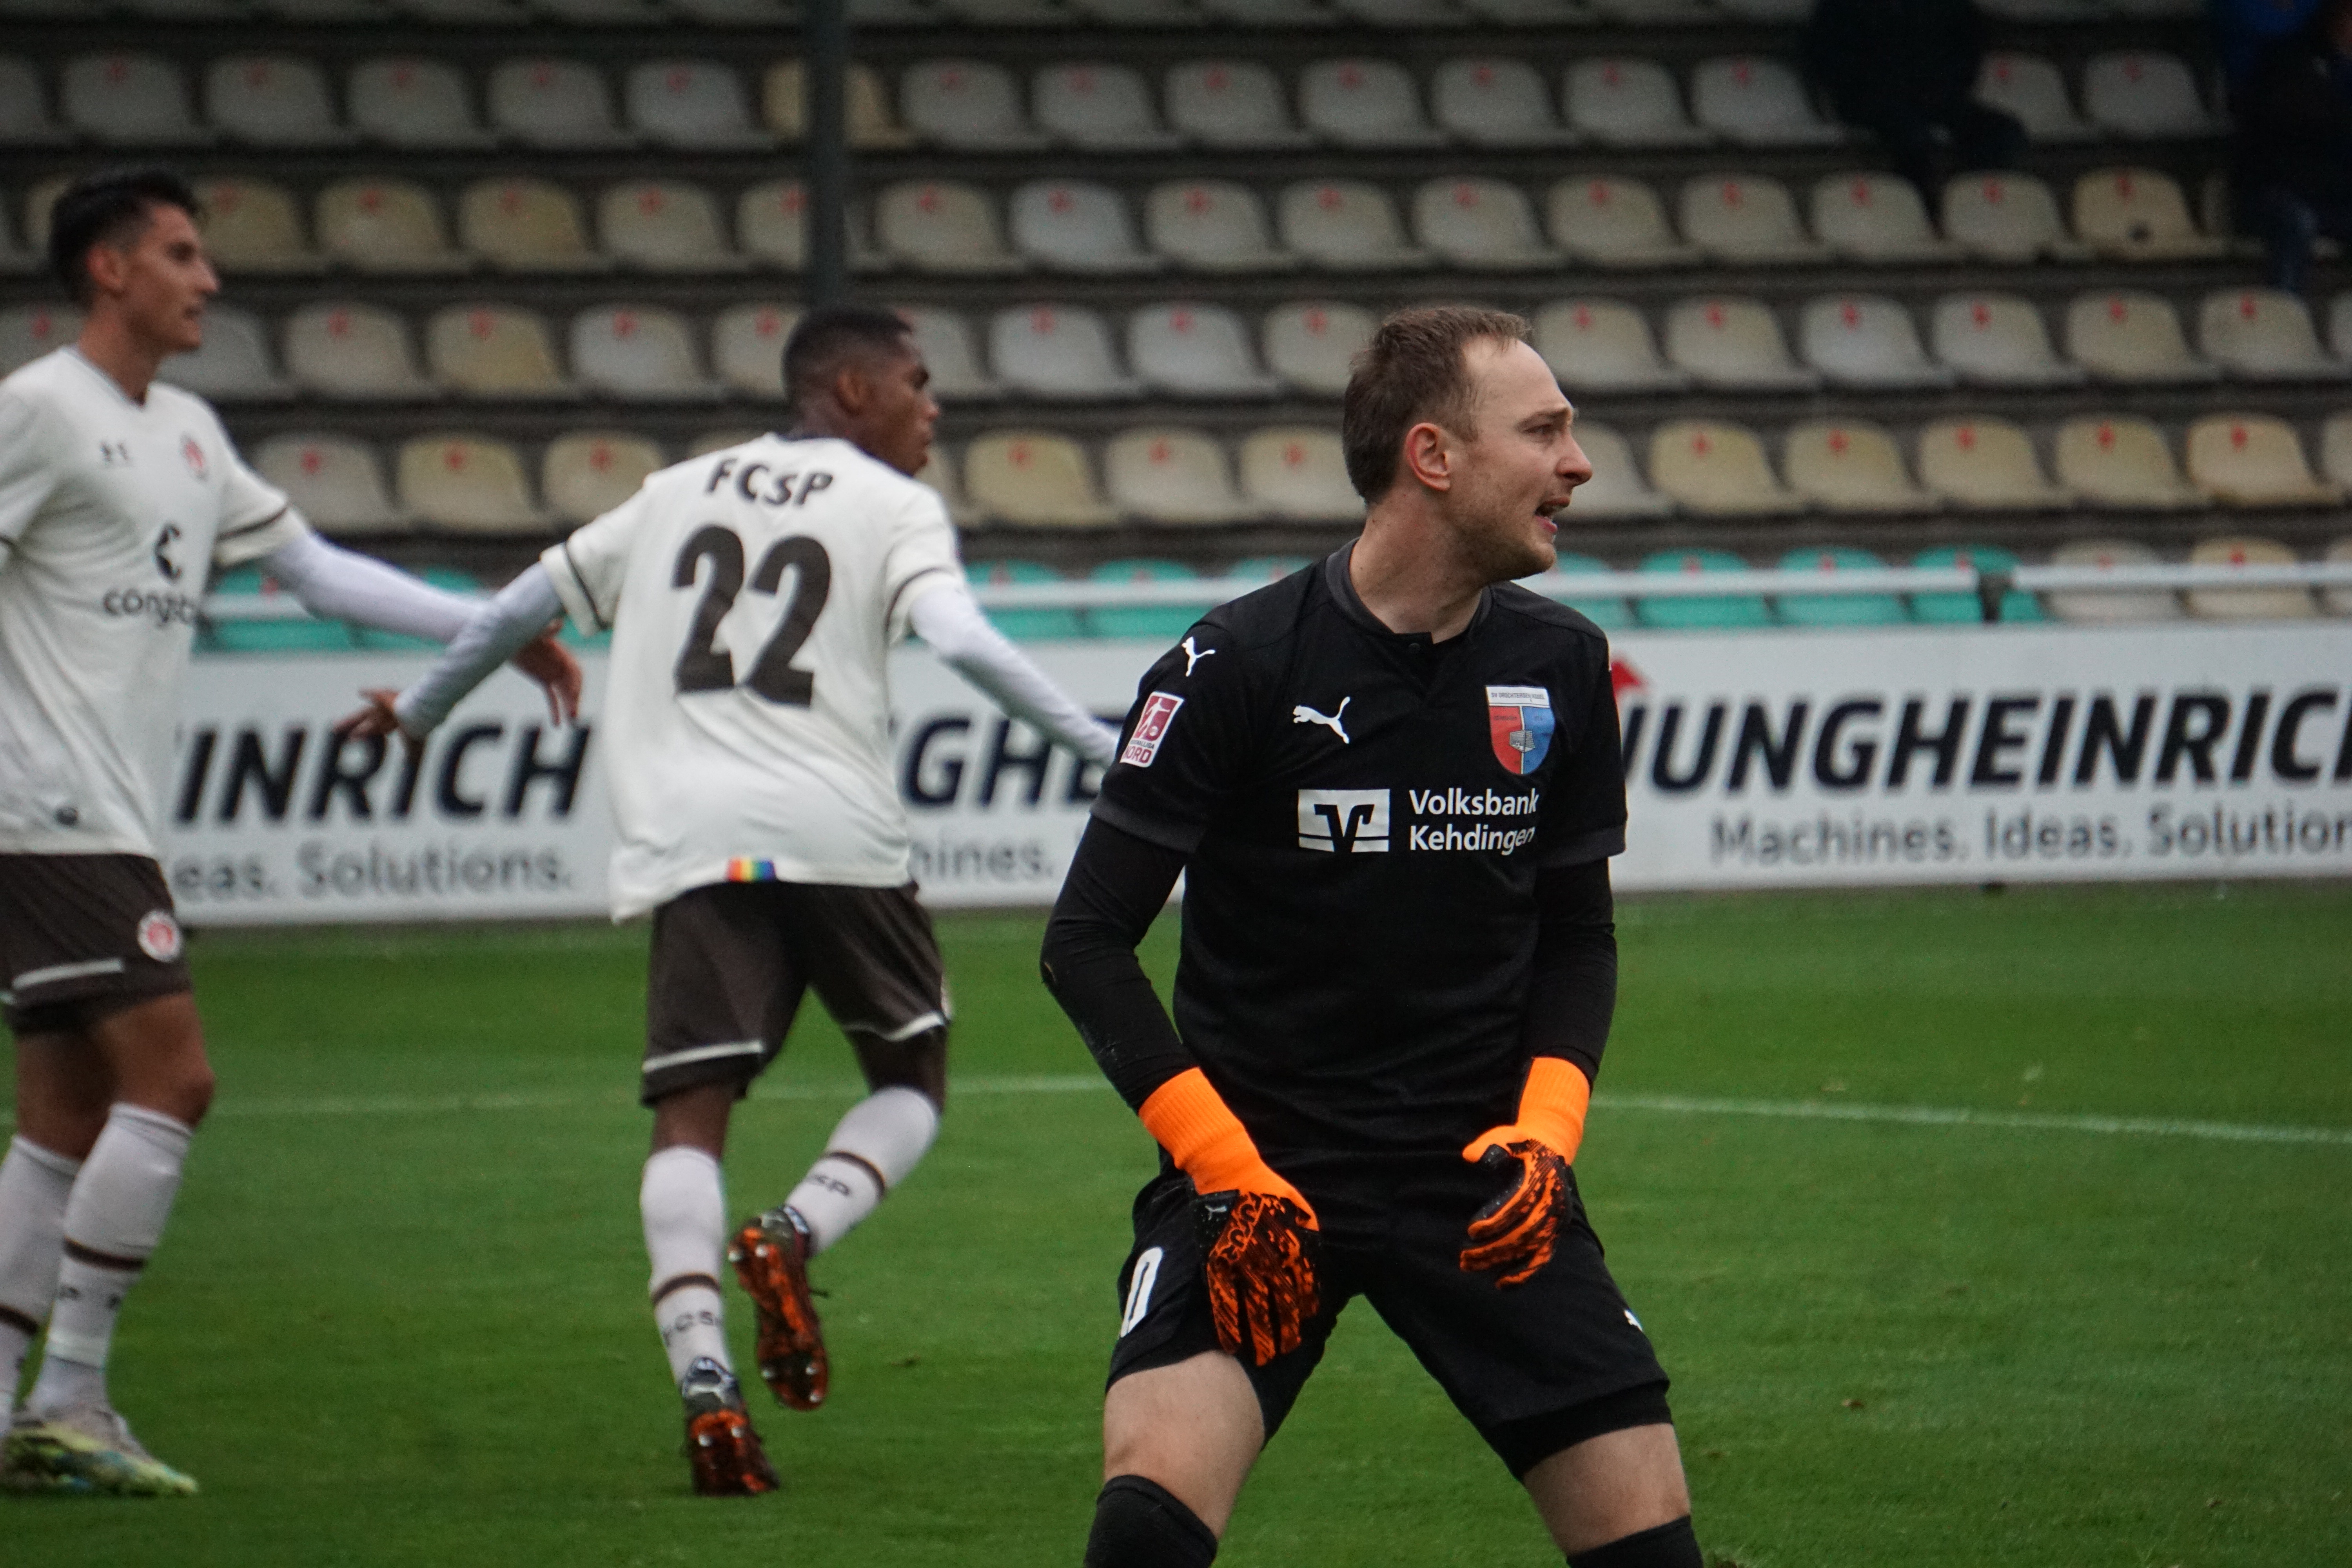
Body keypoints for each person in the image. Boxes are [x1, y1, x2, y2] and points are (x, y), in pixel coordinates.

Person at [342, 305, 1122, 1497]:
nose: (935, 406)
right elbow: (960, 643)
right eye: (918, 381)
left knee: (689, 1116)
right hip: (836, 832)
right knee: (910, 1080)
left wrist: (422, 711)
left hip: (692, 840)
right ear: (851, 392)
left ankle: (705, 1381)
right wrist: (1097, 746)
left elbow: (517, 609)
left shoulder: (672, 491)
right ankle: (795, 1231)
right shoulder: (890, 505)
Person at [1040, 307, 1704, 1568]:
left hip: (1480, 1179)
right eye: (1545, 430)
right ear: (1433, 457)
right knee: (1144, 1527)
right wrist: (1225, 1168)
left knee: (1650, 1552)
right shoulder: (1231, 664)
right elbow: (1084, 943)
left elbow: (1577, 937)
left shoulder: (1561, 664)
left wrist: (1545, 1137)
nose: (1578, 463)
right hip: (1258, 1179)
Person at [0, 168, 580, 1497]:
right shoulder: (37, 415)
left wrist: (495, 626)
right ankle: (74, 1396)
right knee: (178, 1079)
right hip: (52, 810)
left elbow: (317, 573)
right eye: (182, 254)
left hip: (95, 812)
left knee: (65, 1116)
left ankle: (11, 1412)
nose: (208, 280)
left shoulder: (191, 433)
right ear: (107, 269)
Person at [1804, 0, 2025, 204]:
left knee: (2001, 130)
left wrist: (1942, 90)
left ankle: (1979, 203)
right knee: (1911, 134)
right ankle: (1922, 207)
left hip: (1935, 96)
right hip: (1868, 98)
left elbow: (1967, 52)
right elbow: (1825, 56)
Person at [2231, 0, 2352, 294]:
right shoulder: (2288, 61)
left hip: (2328, 193)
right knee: (2298, 222)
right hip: (2272, 191)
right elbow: (2292, 139)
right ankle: (2285, 309)